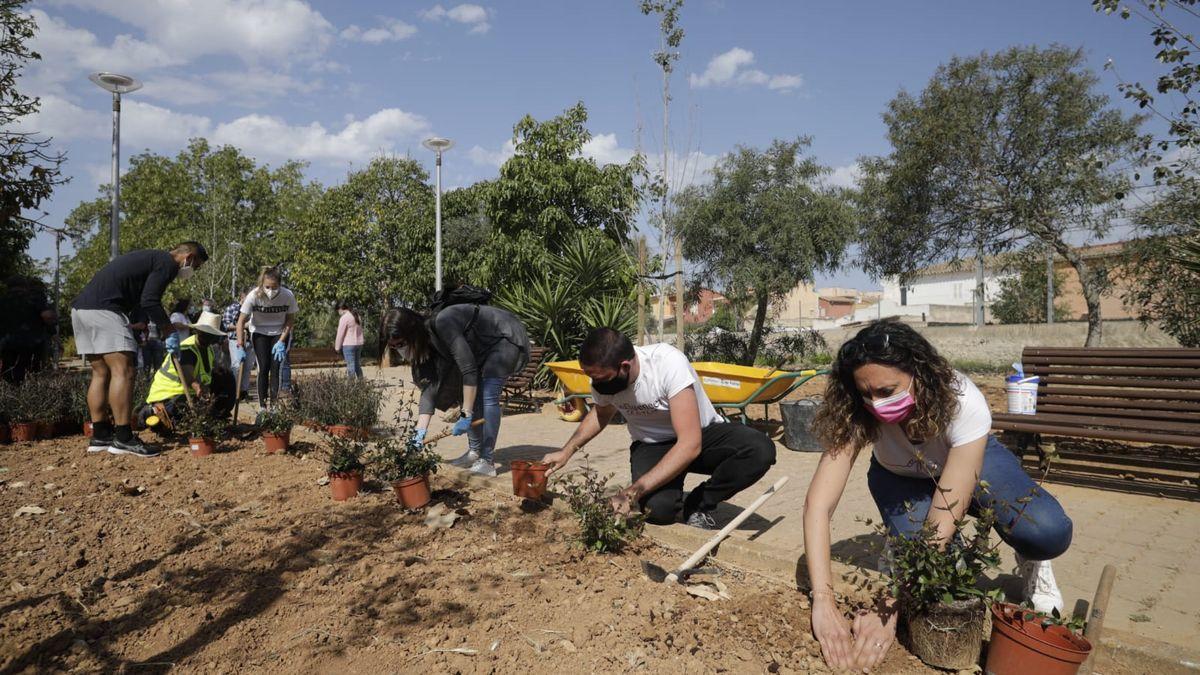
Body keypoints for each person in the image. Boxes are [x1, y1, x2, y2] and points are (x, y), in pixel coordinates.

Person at [802, 319, 1073, 671]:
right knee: (943, 570)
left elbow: (944, 518)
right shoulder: (857, 409)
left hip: (969, 460)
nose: (876, 403)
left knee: (1046, 531)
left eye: (887, 391)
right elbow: (817, 506)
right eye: (866, 393)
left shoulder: (964, 401)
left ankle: (1033, 558)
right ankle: (902, 545)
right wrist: (822, 600)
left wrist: (889, 604)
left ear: (919, 373)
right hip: (899, 477)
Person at [541, 328, 776, 530]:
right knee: (658, 511)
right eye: (593, 378)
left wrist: (631, 492)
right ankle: (669, 496)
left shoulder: (666, 363)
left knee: (759, 449)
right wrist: (566, 451)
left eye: (602, 379)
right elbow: (601, 414)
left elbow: (689, 444)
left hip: (700, 437)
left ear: (624, 366)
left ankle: (699, 503)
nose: (598, 385)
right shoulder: (603, 379)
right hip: (652, 444)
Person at [70, 241, 208, 457]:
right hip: (105, 310)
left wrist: (138, 324)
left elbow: (141, 300)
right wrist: (168, 330)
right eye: (196, 266)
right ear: (188, 257)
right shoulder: (167, 263)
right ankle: (123, 437)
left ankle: (100, 434)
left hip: (82, 310)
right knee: (124, 370)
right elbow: (150, 300)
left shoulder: (152, 258)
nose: (193, 271)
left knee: (101, 372)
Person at [382, 302, 530, 477]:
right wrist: (418, 436)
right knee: (469, 395)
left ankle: (487, 460)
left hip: (504, 338)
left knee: (488, 394)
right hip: (483, 348)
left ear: (412, 333)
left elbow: (469, 371)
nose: (400, 350)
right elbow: (429, 390)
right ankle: (474, 452)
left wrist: (466, 414)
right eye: (393, 347)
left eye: (401, 344)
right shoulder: (427, 346)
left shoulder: (444, 324)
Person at [138, 310, 235, 432]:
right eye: (205, 334)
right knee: (183, 408)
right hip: (169, 395)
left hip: (190, 394)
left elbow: (210, 371)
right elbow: (188, 375)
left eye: (211, 336)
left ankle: (219, 416)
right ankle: (153, 411)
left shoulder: (208, 349)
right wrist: (197, 387)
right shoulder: (186, 349)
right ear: (197, 331)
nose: (207, 338)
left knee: (226, 377)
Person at [234, 268, 297, 411]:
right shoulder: (253, 296)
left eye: (274, 287)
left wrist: (281, 341)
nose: (270, 290)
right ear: (262, 284)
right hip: (259, 332)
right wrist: (239, 345)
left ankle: (274, 406)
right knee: (263, 368)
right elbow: (241, 321)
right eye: (267, 287)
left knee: (276, 368)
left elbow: (290, 320)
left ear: (280, 284)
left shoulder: (287, 295)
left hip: (279, 333)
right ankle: (262, 407)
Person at [223, 290, 253, 399]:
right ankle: (234, 391)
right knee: (236, 366)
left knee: (248, 367)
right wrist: (243, 326)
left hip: (250, 341)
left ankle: (243, 391)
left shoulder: (253, 309)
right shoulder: (232, 308)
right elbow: (226, 325)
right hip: (235, 340)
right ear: (242, 297)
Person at [334, 301, 364, 378]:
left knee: (350, 365)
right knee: (357, 364)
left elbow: (340, 334)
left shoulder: (344, 318)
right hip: (359, 344)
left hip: (348, 345)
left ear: (341, 309)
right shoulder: (356, 316)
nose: (338, 313)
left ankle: (351, 386)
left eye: (338, 311)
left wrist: (337, 347)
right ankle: (361, 384)